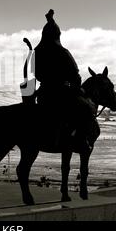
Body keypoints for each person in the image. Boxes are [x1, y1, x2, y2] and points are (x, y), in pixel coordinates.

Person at [34, 10, 94, 152]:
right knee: (86, 109)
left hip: (43, 94)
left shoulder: (37, 51)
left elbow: (33, 73)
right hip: (61, 94)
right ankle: (81, 140)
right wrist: (76, 86)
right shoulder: (62, 51)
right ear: (57, 34)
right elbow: (75, 73)